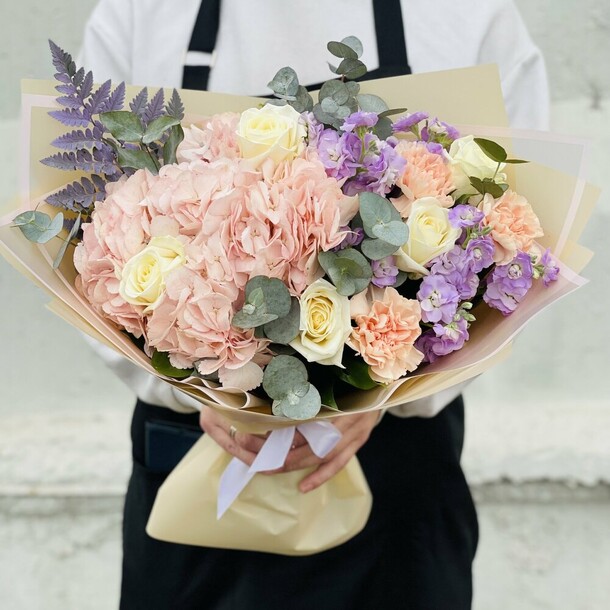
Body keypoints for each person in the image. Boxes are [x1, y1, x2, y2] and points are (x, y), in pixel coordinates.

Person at [79, 1, 549, 608]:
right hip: (201, 452)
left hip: (394, 471)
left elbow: (523, 239)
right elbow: (87, 242)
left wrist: (383, 394)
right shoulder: (141, 12)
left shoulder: (466, 13)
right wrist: (197, 391)